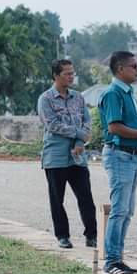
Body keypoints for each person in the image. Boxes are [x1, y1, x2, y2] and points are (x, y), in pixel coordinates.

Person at [98, 51, 137, 274]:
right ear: (120, 69)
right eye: (133, 66)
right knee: (119, 210)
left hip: (131, 156)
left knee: (127, 210)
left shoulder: (128, 92)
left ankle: (118, 258)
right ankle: (111, 261)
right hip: (119, 155)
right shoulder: (113, 93)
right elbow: (114, 127)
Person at [37, 59, 97, 249]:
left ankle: (92, 235)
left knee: (86, 198)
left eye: (73, 73)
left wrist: (80, 141)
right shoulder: (45, 99)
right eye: (67, 73)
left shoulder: (78, 98)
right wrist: (79, 134)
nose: (71, 77)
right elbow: (52, 125)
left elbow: (87, 122)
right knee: (57, 199)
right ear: (56, 75)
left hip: (77, 157)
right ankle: (62, 236)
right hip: (55, 157)